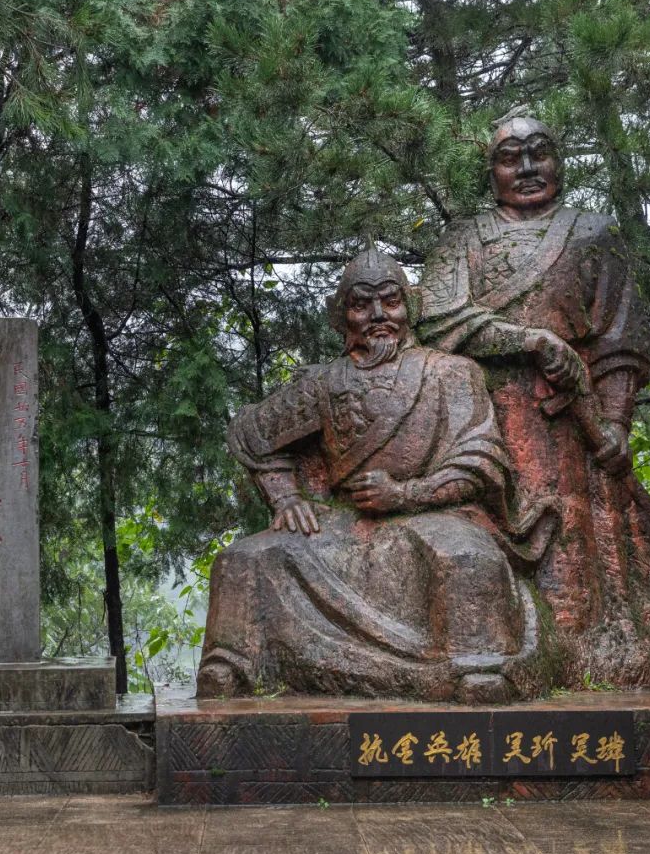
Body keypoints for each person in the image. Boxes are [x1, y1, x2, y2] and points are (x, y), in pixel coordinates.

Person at [196, 243, 558, 702]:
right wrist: (285, 497)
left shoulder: (452, 373)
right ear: (341, 316)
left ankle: (477, 666)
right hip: (347, 523)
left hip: (437, 513)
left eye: (390, 300)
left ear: (411, 307)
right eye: (361, 305)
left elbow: (482, 463)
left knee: (468, 558)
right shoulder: (326, 383)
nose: (377, 315)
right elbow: (254, 436)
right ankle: (233, 665)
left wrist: (407, 494)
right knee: (243, 558)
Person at [418, 111, 650, 687]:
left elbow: (619, 342)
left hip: (568, 424)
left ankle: (572, 664)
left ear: (559, 162)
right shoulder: (462, 241)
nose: (526, 167)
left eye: (538, 152)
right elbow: (438, 323)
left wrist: (614, 424)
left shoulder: (594, 234)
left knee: (571, 556)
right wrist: (529, 341)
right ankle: (485, 657)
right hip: (476, 422)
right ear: (491, 172)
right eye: (509, 157)